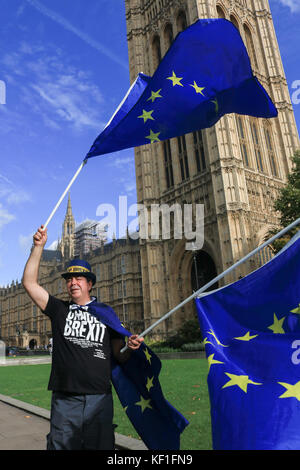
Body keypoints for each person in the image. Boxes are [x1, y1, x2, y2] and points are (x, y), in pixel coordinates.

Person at [22, 225, 144, 450]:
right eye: (69, 279)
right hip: (66, 398)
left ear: (90, 283)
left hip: (99, 397)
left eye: (79, 278)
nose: (73, 282)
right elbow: (30, 283)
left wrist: (131, 347)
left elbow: (120, 355)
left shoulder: (107, 314)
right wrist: (38, 247)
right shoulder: (60, 310)